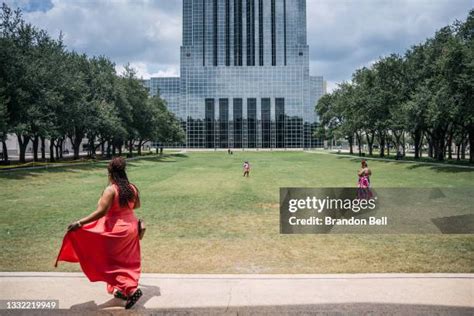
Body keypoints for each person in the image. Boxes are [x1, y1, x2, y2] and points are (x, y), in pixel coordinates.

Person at [55, 157, 143, 309]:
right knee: (126, 260)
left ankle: (131, 289)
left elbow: (101, 212)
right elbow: (136, 206)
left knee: (109, 263)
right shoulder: (132, 188)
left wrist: (80, 222)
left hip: (116, 231)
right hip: (131, 228)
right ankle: (123, 290)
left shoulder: (111, 190)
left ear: (110, 173)